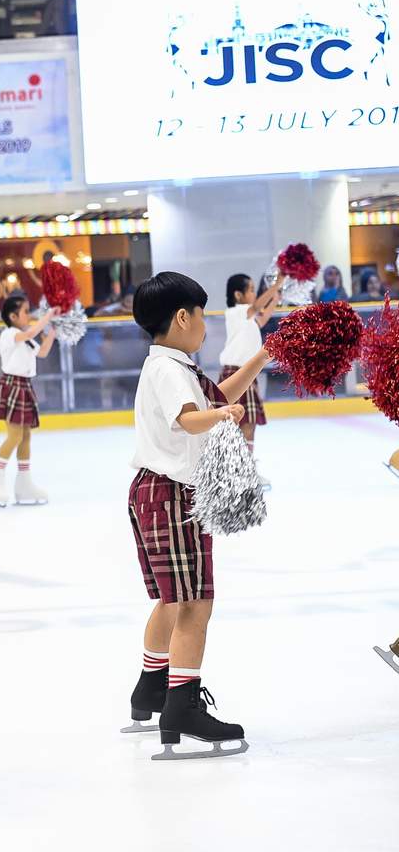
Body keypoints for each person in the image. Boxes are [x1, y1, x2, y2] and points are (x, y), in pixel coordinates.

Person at [122, 271, 267, 760]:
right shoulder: (168, 371)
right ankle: (181, 706)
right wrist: (221, 418)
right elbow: (189, 418)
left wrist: (261, 358)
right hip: (171, 495)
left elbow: (218, 396)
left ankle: (152, 688)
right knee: (194, 604)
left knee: (173, 600)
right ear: (183, 317)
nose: (207, 325)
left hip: (156, 492)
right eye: (203, 316)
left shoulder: (171, 365)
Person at [0, 295, 56, 507]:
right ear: (13, 316)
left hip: (24, 386)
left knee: (25, 436)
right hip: (12, 385)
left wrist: (52, 332)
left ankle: (24, 483)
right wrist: (48, 316)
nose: (29, 315)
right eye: (26, 311)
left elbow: (42, 352)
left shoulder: (25, 337)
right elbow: (31, 332)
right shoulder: (10, 334)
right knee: (14, 436)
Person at [219, 272, 283, 487]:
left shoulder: (247, 317)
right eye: (252, 290)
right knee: (241, 424)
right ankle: (240, 471)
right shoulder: (235, 312)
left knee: (248, 424)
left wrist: (274, 299)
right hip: (236, 373)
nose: (255, 294)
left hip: (245, 374)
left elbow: (261, 319)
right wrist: (276, 285)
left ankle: (244, 470)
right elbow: (256, 308)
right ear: (238, 295)